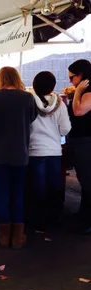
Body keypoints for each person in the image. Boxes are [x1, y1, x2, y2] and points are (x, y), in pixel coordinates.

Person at [0, 66, 37, 248]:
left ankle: (3, 237)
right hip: (20, 152)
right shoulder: (27, 98)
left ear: (0, 79)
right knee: (18, 192)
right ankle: (17, 237)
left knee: (1, 192)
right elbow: (32, 118)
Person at [29, 71, 71, 231]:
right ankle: (55, 219)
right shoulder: (60, 104)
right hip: (54, 151)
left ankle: (38, 221)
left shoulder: (29, 101)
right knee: (55, 186)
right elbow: (66, 129)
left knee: (37, 187)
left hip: (34, 150)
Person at [67, 59, 91, 233]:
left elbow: (79, 111)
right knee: (84, 179)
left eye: (72, 77)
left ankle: (87, 222)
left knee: (88, 180)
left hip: (86, 140)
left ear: (81, 75)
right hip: (81, 139)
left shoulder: (87, 90)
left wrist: (78, 91)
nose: (70, 81)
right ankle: (83, 215)